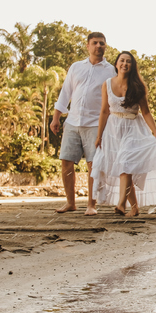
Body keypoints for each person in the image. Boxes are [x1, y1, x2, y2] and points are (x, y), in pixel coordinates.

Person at [90, 51, 156, 216]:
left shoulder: (138, 87)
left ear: (132, 66)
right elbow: (104, 111)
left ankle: (121, 204)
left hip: (134, 128)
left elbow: (146, 112)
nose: (125, 64)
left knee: (125, 164)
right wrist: (99, 136)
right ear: (116, 64)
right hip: (113, 130)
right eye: (122, 60)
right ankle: (135, 207)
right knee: (124, 168)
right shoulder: (107, 84)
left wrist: (155, 132)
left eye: (128, 61)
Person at [50, 32, 113, 214]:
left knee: (93, 165)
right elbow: (65, 92)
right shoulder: (76, 67)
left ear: (105, 46)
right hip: (72, 122)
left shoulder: (111, 71)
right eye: (95, 43)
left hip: (95, 124)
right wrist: (56, 117)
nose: (98, 46)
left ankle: (91, 205)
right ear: (87, 46)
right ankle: (70, 203)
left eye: (102, 43)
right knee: (66, 161)